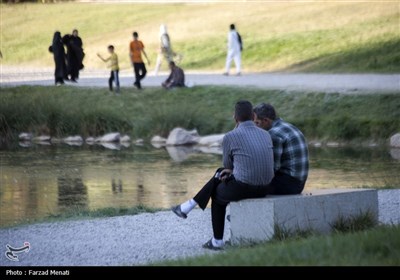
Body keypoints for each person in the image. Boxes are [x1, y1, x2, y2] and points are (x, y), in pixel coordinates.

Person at [171, 101, 274, 250]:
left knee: (217, 195)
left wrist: (234, 131)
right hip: (266, 187)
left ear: (235, 118)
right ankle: (187, 206)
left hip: (245, 188)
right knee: (220, 173)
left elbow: (228, 166)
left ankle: (216, 241)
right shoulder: (266, 134)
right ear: (253, 116)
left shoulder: (231, 136)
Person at [253, 103, 309, 194]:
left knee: (248, 187)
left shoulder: (273, 134)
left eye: (257, 123)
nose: (255, 127)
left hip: (290, 185)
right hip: (299, 182)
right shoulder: (286, 126)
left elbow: (272, 168)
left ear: (266, 121)